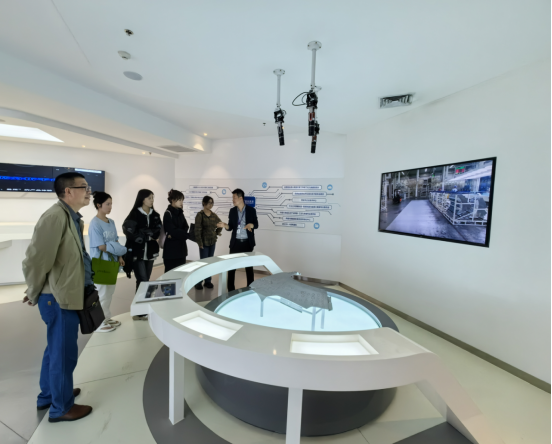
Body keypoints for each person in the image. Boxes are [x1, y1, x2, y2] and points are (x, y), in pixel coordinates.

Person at [22, 172, 93, 423]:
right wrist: (33, 290)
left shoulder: (72, 218)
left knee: (55, 349)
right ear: (68, 192)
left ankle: (49, 394)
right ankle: (61, 407)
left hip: (65, 293)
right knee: (63, 353)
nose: (89, 191)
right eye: (83, 187)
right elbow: (36, 260)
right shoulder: (55, 217)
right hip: (57, 297)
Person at [88, 191, 127, 333]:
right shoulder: (94, 223)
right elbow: (101, 246)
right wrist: (120, 249)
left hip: (112, 263)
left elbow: (115, 240)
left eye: (111, 204)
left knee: (109, 293)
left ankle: (106, 317)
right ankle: (98, 323)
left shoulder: (111, 222)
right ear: (99, 205)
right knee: (101, 294)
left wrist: (120, 256)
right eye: (107, 204)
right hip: (101, 263)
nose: (110, 207)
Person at [122, 189, 162, 321]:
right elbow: (129, 231)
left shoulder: (155, 215)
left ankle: (142, 309)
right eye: (149, 198)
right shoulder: (134, 214)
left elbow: (158, 232)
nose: (152, 200)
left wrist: (144, 233)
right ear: (142, 199)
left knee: (145, 281)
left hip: (150, 253)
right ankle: (140, 311)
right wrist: (147, 235)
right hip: (137, 253)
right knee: (142, 280)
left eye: (152, 198)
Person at [217, 189, 258, 292]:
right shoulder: (232, 211)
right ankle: (231, 291)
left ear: (241, 198)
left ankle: (250, 290)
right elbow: (230, 227)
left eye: (234, 198)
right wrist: (225, 225)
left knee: (249, 268)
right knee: (231, 268)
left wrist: (251, 225)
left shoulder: (251, 210)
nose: (233, 200)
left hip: (247, 243)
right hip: (235, 243)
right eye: (233, 198)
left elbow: (256, 224)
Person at [194, 196, 223, 290]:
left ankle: (208, 281)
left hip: (212, 242)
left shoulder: (213, 215)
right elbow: (197, 230)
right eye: (209, 202)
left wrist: (217, 232)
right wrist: (199, 243)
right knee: (203, 263)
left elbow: (220, 224)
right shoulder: (200, 215)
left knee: (209, 263)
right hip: (204, 242)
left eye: (212, 203)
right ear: (204, 203)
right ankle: (198, 282)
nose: (211, 205)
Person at [163, 189, 189, 273]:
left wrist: (176, 234)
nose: (182, 202)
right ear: (173, 200)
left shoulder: (180, 213)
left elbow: (186, 226)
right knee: (170, 274)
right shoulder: (168, 213)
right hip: (171, 251)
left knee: (181, 274)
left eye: (182, 200)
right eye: (179, 200)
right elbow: (172, 230)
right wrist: (182, 234)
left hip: (181, 250)